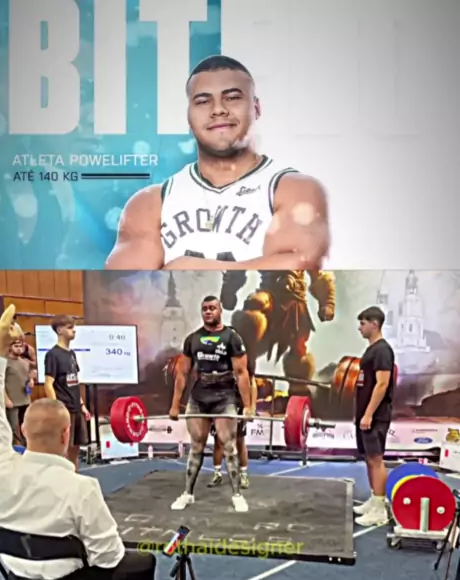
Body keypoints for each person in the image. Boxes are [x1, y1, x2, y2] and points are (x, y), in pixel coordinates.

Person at [0, 305, 171, 580]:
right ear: (66, 434)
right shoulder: (82, 489)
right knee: (143, 562)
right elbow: (108, 558)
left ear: (23, 430)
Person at [106, 55, 329, 272]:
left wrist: (191, 268)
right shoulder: (151, 203)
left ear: (256, 108)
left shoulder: (293, 189)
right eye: (203, 101)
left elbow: (298, 268)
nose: (218, 109)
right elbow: (124, 282)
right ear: (189, 116)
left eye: (232, 97)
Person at [169, 296, 253, 512]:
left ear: (220, 310)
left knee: (229, 445)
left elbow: (242, 373)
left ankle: (237, 495)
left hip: (225, 396)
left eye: (212, 308)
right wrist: (175, 404)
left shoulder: (231, 337)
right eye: (205, 308)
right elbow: (182, 373)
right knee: (196, 445)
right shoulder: (193, 339)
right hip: (199, 396)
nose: (208, 311)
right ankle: (188, 494)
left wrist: (248, 406)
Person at [354, 306, 396, 527]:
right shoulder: (371, 350)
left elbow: (382, 384)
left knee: (376, 459)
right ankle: (374, 499)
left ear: (374, 324)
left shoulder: (382, 350)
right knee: (369, 458)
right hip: (365, 414)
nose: (359, 328)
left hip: (376, 416)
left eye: (362, 323)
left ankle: (379, 510)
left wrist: (369, 413)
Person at [44, 315, 90, 471]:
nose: (74, 331)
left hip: (76, 408)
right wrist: (56, 408)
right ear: (59, 330)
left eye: (73, 327)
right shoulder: (52, 355)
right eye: (70, 328)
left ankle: (74, 477)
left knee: (75, 448)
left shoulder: (72, 354)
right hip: (65, 408)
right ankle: (61, 478)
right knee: (63, 448)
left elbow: (74, 381)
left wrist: (82, 405)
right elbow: (48, 383)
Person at [209, 350, 257, 489]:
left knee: (240, 440)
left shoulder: (245, 359)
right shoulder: (219, 360)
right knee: (218, 440)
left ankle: (243, 475)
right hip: (221, 403)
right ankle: (217, 474)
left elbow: (252, 383)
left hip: (239, 404)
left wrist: (252, 407)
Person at [4, 338, 35, 446]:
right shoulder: (5, 362)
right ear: (10, 347)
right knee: (12, 428)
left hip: (25, 400)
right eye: (16, 346)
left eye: (20, 346)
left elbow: (28, 376)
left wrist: (31, 381)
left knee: (26, 427)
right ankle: (12, 449)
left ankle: (26, 448)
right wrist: (5, 398)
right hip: (12, 402)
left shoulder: (25, 362)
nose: (19, 349)